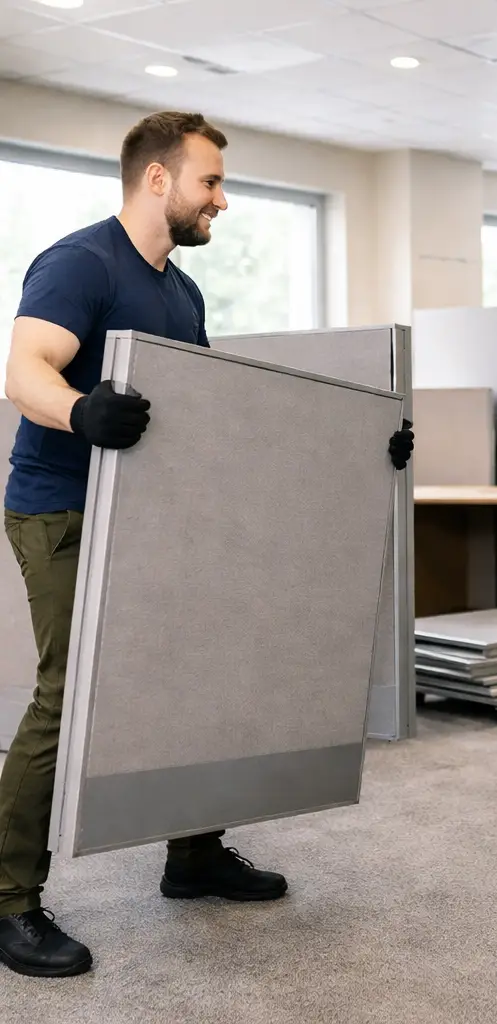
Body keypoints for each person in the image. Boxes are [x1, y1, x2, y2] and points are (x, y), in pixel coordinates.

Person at [0, 110, 415, 979]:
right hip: (63, 509)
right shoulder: (82, 263)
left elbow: (213, 415)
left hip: (154, 507)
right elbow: (25, 370)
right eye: (211, 182)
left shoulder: (181, 293)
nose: (221, 202)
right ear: (159, 179)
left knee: (196, 670)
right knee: (68, 693)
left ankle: (193, 855)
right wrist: (79, 408)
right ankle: (8, 901)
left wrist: (361, 447)